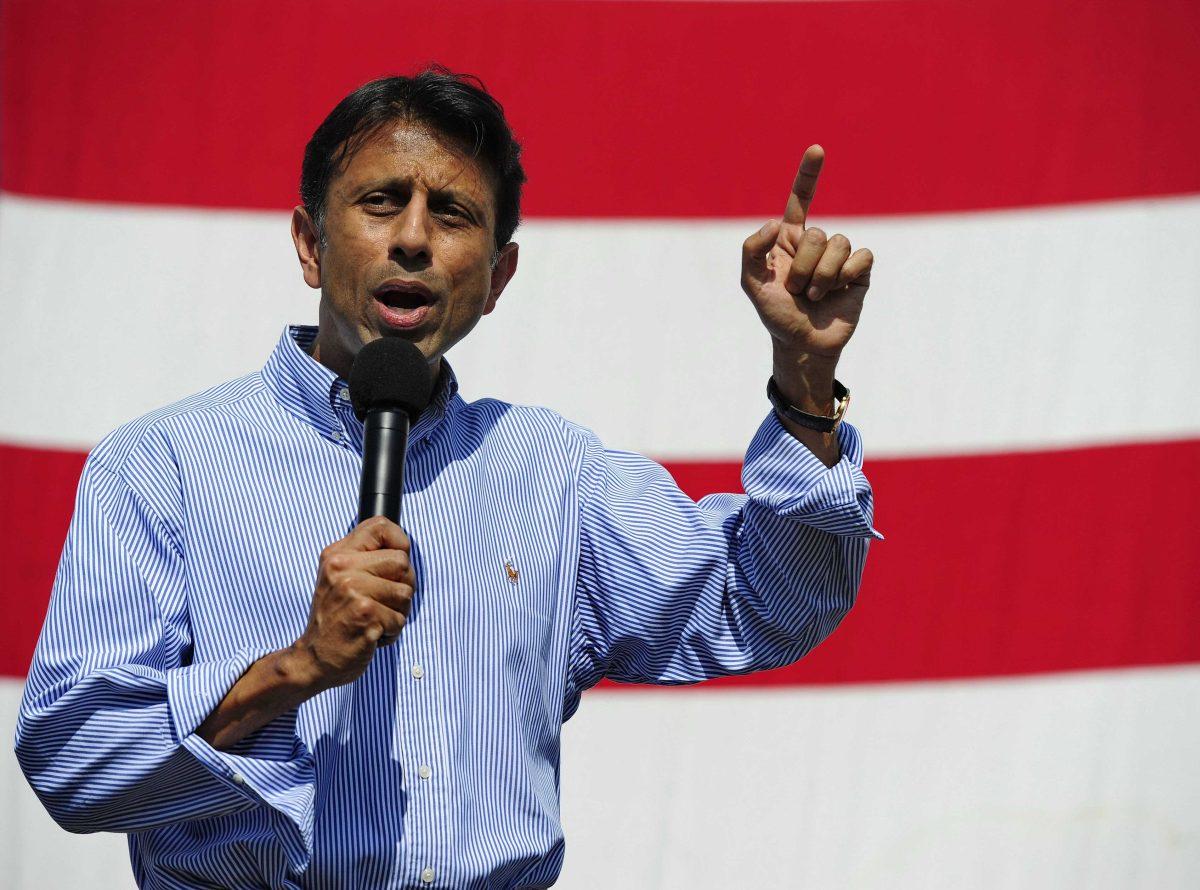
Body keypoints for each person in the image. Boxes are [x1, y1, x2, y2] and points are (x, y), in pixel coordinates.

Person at [15, 67, 880, 889]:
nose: (415, 238)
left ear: (497, 279)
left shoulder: (552, 474)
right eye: (381, 201)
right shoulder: (163, 464)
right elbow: (73, 762)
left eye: (454, 213)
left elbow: (767, 605)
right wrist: (297, 668)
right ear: (311, 244)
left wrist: (804, 382)